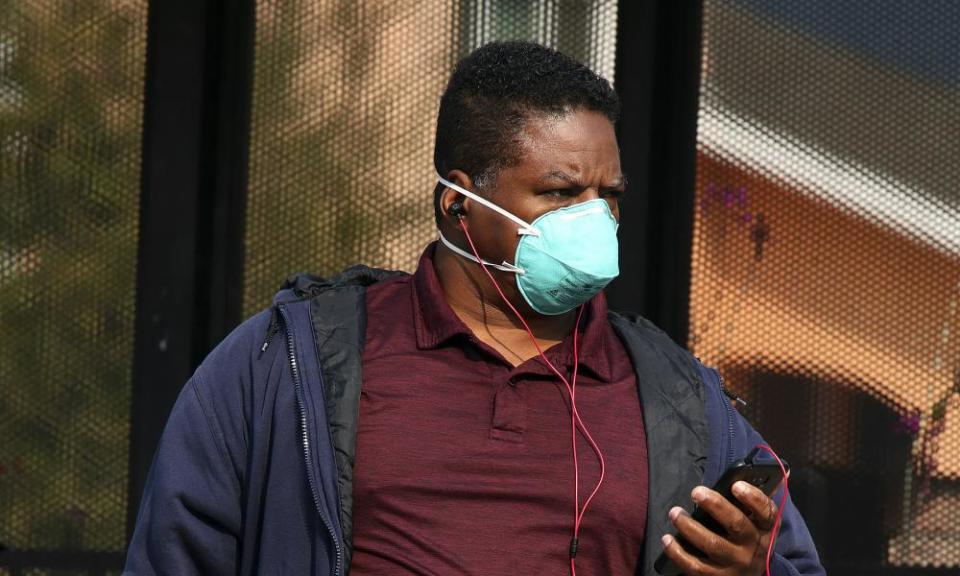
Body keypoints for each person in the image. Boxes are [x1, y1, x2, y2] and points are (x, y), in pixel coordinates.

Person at [124, 41, 823, 576]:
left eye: (608, 195)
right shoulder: (281, 365)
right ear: (460, 202)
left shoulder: (679, 399)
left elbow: (791, 561)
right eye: (559, 192)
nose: (596, 219)